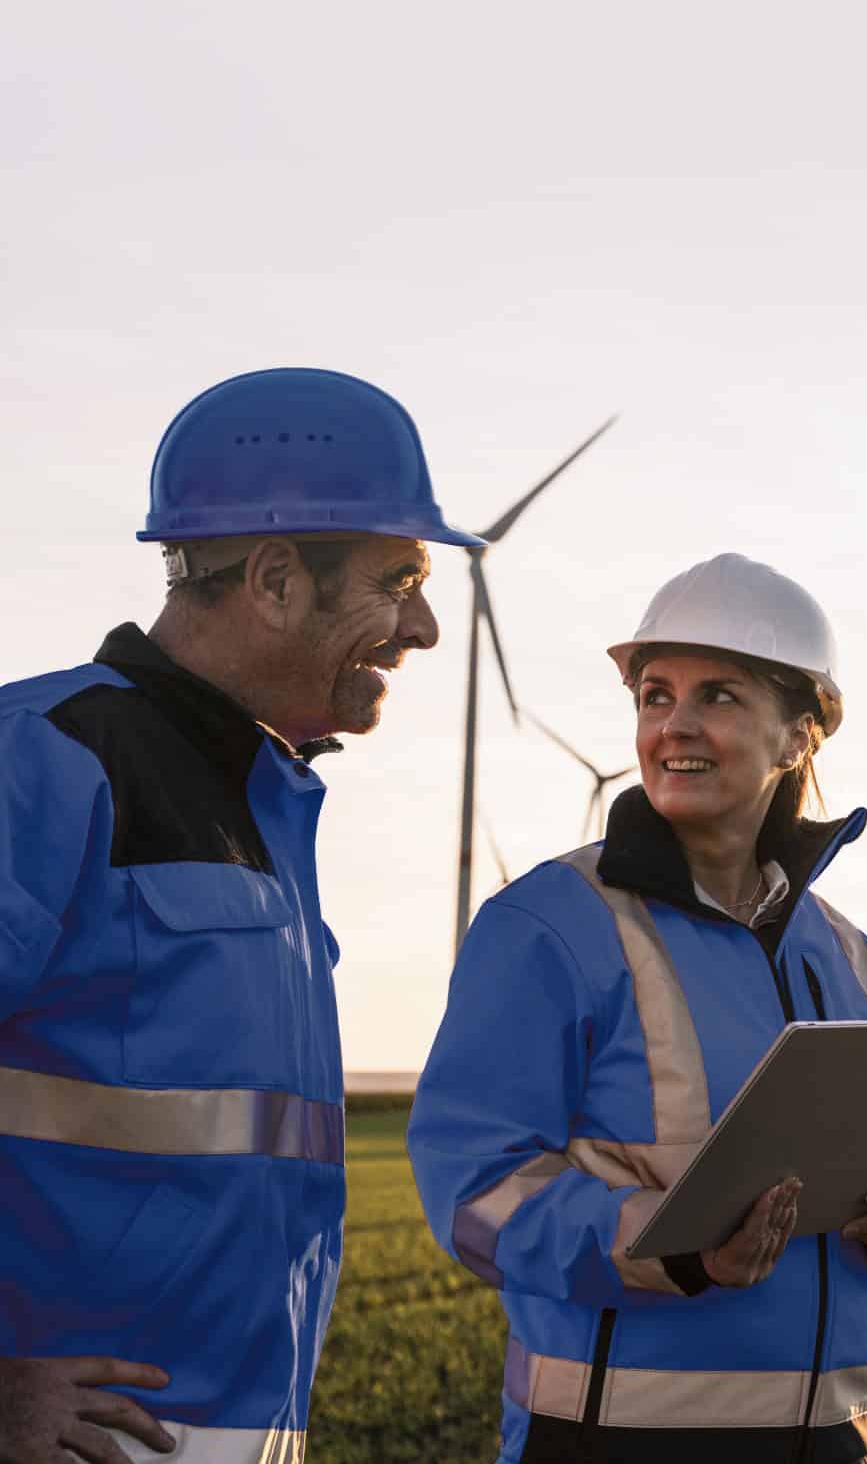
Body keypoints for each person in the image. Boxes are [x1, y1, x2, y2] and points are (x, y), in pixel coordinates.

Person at [0, 367, 478, 1463]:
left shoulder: (268, 803)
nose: (424, 626)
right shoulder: (44, 761)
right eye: (397, 578)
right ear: (272, 577)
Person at [408, 553, 867, 1464]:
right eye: (656, 696)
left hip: (837, 1442)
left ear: (798, 736)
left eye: (720, 698)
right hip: (611, 1442)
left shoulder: (856, 957)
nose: (674, 727)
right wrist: (677, 1246)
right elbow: (471, 1191)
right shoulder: (547, 927)